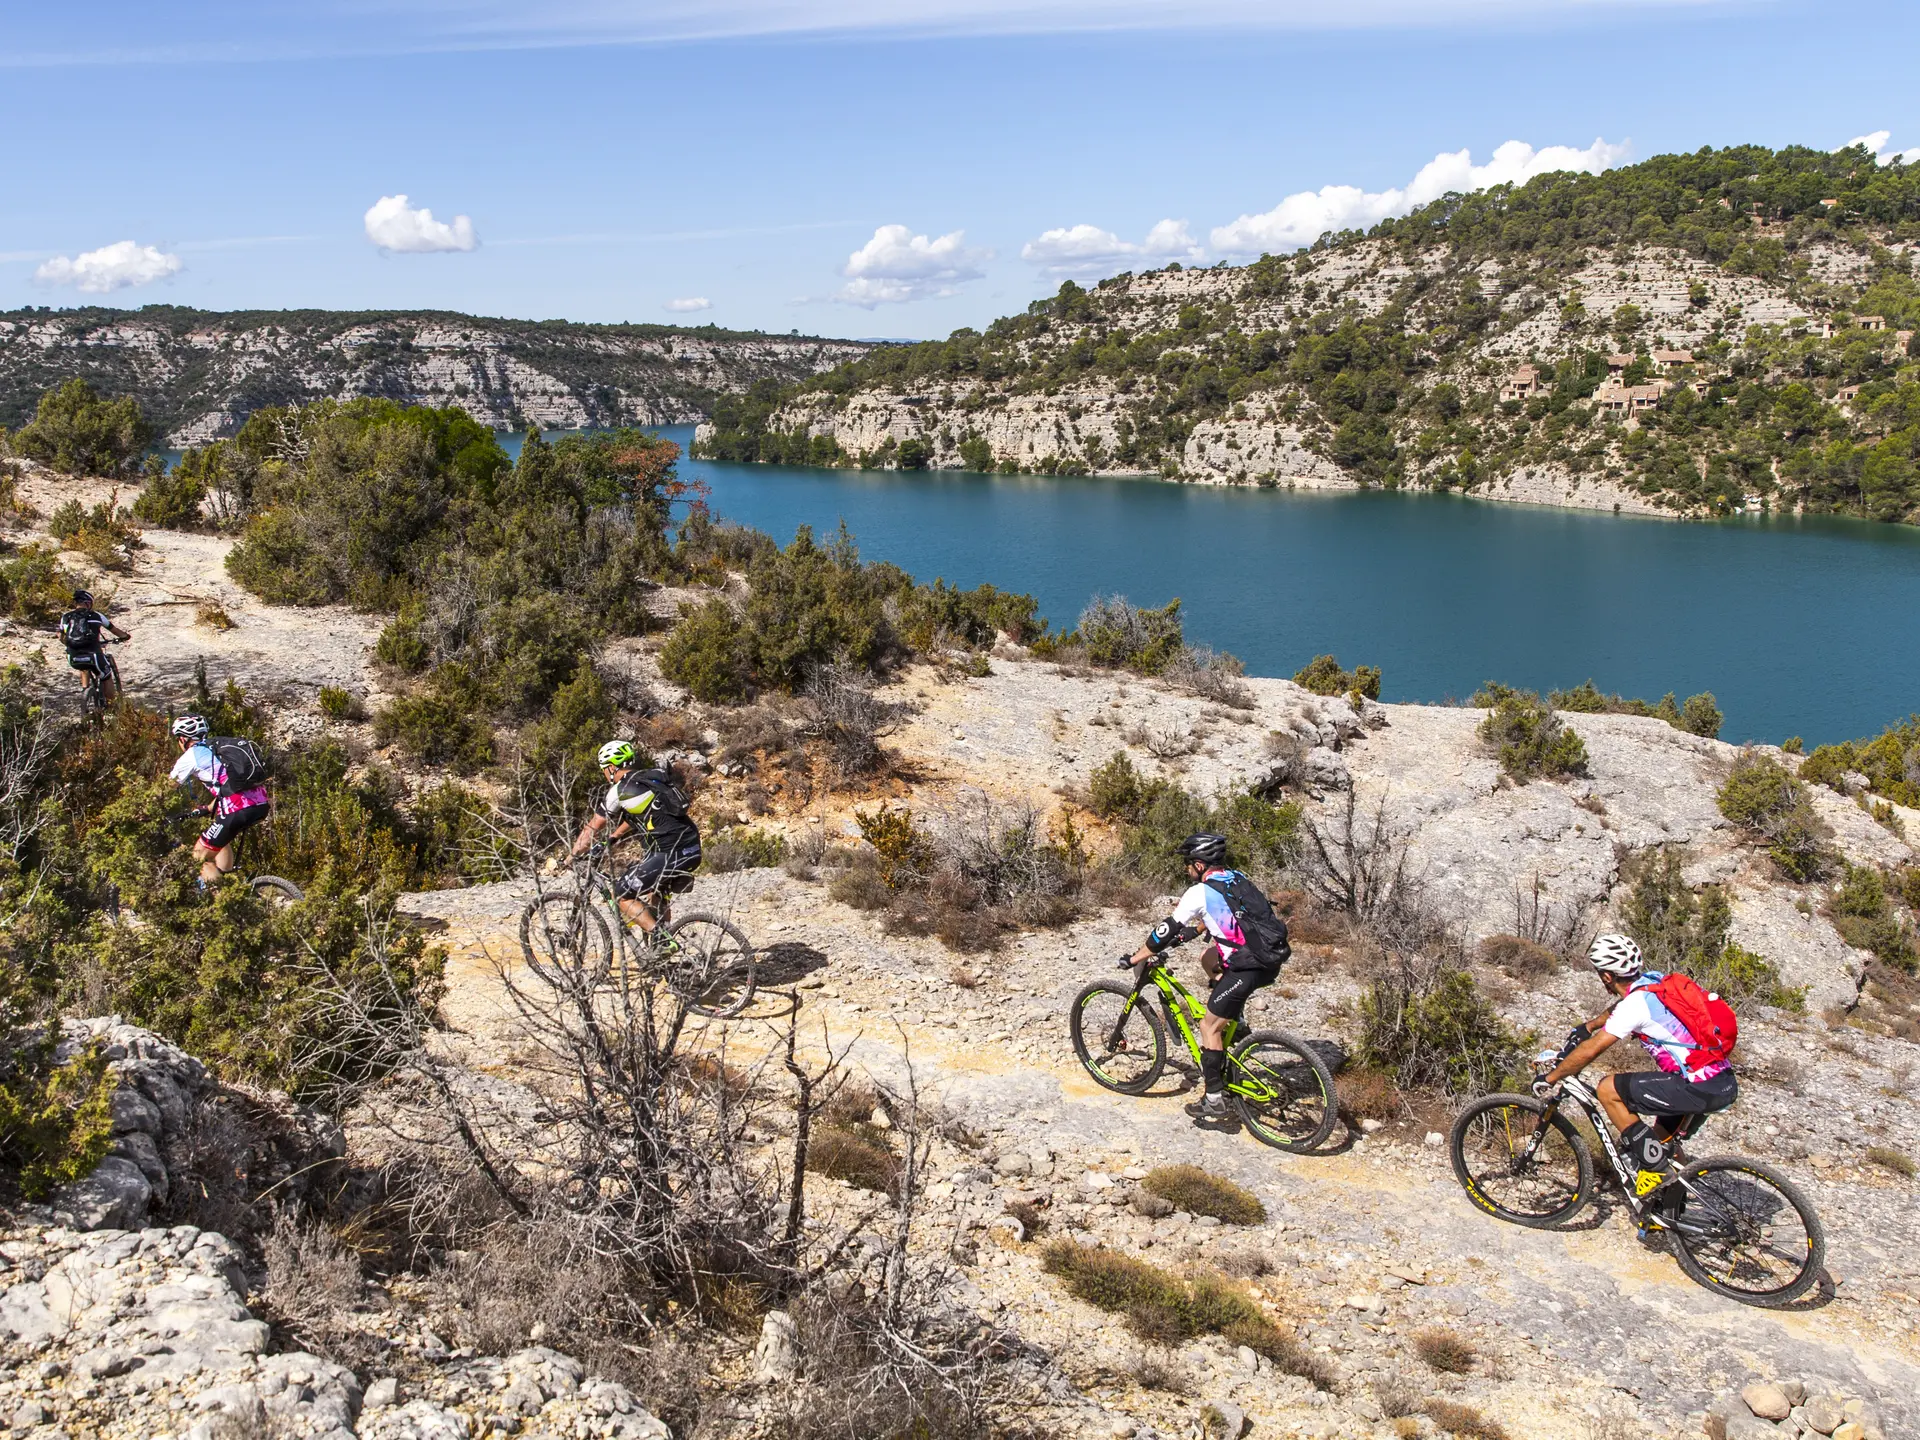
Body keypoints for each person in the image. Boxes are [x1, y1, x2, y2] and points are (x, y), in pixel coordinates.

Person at [1535, 932, 1739, 1199]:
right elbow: (1619, 1008)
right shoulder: (1654, 982)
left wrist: (1551, 1078)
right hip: (1721, 1080)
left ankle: (1655, 1174)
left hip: (1695, 1087)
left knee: (1608, 1089)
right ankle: (1667, 1214)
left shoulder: (1634, 1006)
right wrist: (1590, 1025)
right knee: (1660, 1143)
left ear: (1607, 976)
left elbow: (1593, 1048)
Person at [1119, 832, 1289, 1123]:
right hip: (1270, 957)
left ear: (1199, 864)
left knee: (1208, 1026)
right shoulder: (1234, 877)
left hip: (1247, 966)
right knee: (1208, 958)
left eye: (1188, 862)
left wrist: (1136, 957)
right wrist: (1192, 933)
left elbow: (1166, 929)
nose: (1186, 868)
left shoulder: (1197, 892)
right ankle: (1238, 1022)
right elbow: (1220, 916)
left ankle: (1214, 1100)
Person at [562, 741, 703, 937]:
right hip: (692, 848)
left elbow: (593, 827)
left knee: (620, 893)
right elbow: (640, 814)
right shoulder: (652, 779)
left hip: (668, 853)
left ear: (611, 767)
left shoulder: (619, 791)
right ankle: (663, 949)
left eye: (604, 769)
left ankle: (662, 939)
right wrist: (613, 837)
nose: (604, 773)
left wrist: (572, 855)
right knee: (655, 893)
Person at [167, 715, 273, 891]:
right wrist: (207, 808)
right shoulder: (218, 749)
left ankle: (223, 906)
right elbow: (229, 784)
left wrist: (147, 810)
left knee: (200, 858)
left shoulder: (190, 757)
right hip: (260, 804)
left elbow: (163, 790)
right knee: (220, 842)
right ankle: (229, 884)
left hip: (237, 809)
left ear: (183, 739)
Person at [58, 590, 130, 701]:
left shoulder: (66, 617)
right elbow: (114, 630)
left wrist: (71, 644)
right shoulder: (97, 616)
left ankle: (85, 691)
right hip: (94, 655)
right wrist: (125, 636)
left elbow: (60, 636)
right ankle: (113, 707)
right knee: (106, 675)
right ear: (88, 603)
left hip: (72, 657)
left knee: (84, 666)